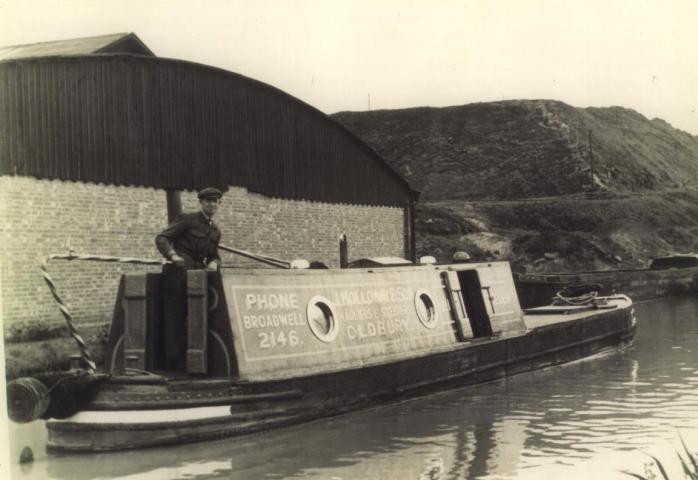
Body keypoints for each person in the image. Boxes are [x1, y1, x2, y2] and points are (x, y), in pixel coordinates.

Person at [155, 187, 224, 370]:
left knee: (195, 316)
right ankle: (174, 363)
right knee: (175, 317)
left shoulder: (216, 231)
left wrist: (214, 262)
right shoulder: (188, 220)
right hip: (177, 275)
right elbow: (162, 238)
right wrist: (172, 255)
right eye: (208, 201)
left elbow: (214, 255)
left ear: (219, 204)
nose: (211, 204)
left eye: (215, 201)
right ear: (201, 202)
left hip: (197, 277)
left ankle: (194, 360)